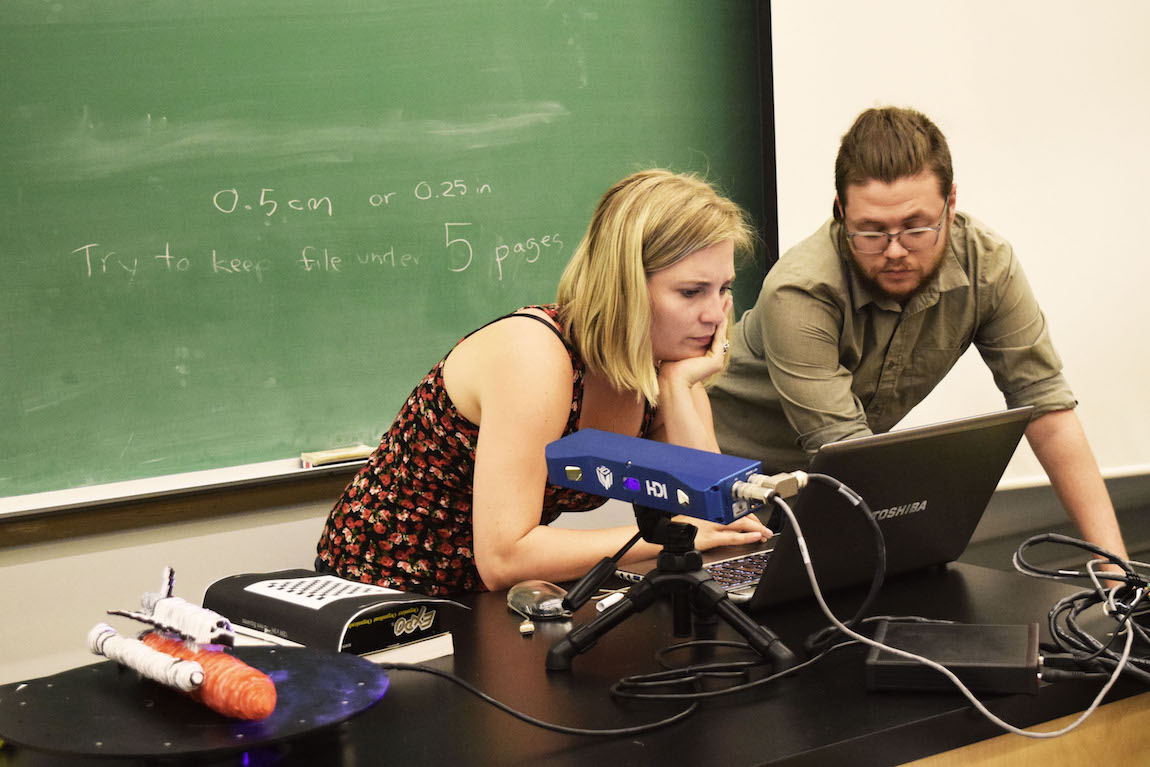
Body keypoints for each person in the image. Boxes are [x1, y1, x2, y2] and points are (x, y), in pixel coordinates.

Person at [316, 169, 771, 596]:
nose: (715, 315)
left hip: (495, 598)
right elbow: (505, 558)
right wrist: (675, 538)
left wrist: (678, 387)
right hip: (384, 589)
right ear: (625, 286)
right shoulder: (535, 355)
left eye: (724, 289)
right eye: (692, 292)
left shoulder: (665, 362)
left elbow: (714, 515)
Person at [709, 106, 1127, 560]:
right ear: (840, 211)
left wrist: (1115, 573)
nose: (894, 252)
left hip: (826, 487)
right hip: (716, 486)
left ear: (950, 205)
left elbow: (1047, 408)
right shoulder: (800, 291)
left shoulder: (987, 264)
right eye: (870, 232)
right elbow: (846, 452)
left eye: (916, 228)